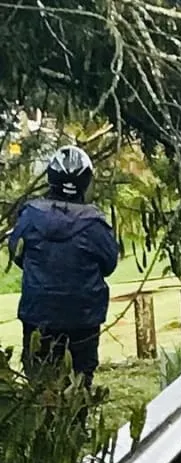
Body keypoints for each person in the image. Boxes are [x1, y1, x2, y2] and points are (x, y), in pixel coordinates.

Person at [8, 145, 119, 384]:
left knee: (39, 383)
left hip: (38, 316)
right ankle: (77, 422)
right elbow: (109, 264)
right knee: (79, 382)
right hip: (84, 319)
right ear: (85, 182)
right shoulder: (95, 223)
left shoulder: (29, 216)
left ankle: (44, 420)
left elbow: (17, 254)